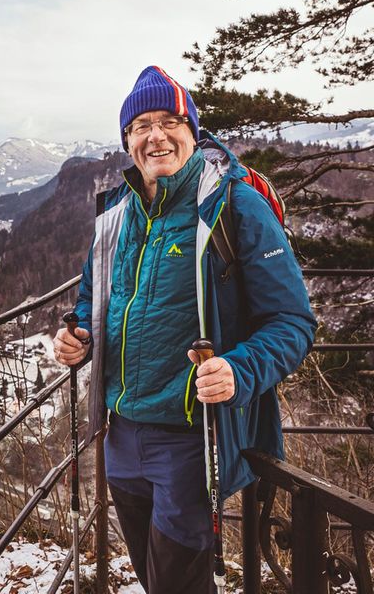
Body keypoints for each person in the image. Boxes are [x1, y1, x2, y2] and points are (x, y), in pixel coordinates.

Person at [53, 65, 317, 594]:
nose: (155, 135)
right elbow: (92, 303)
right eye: (141, 124)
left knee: (181, 580)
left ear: (193, 131)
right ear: (127, 139)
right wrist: (77, 336)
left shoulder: (234, 206)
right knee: (155, 579)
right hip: (120, 434)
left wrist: (239, 368)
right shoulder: (116, 217)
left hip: (191, 439)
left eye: (170, 120)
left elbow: (292, 322)